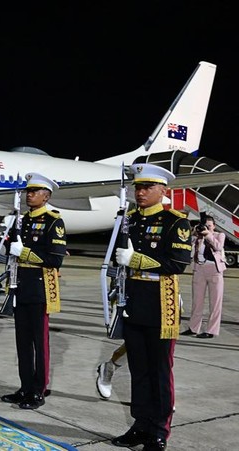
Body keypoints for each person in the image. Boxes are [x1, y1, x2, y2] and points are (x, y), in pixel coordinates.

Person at [110, 164, 191, 451]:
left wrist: (136, 259)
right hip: (133, 302)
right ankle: (140, 424)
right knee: (138, 370)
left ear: (163, 190)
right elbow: (115, 261)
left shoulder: (175, 222)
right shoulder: (129, 219)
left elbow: (177, 264)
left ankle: (159, 430)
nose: (140, 192)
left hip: (160, 303)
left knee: (159, 370)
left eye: (147, 187)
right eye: (138, 187)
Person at [0, 172, 66, 410]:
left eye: (34, 191)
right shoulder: (22, 220)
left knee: (40, 341)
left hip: (39, 286)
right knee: (22, 342)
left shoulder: (53, 221)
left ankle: (38, 389)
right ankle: (25, 386)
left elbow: (54, 258)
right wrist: (7, 236)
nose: (30, 195)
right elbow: (9, 250)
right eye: (28, 191)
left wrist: (24, 252)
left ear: (46, 196)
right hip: (20, 285)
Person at [182, 214, 225, 339]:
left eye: (210, 226)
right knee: (197, 301)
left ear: (214, 226)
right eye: (206, 226)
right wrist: (193, 233)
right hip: (199, 269)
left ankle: (211, 330)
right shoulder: (198, 237)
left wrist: (208, 234)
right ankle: (193, 328)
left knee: (215, 302)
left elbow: (218, 247)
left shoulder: (218, 235)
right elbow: (188, 247)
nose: (207, 228)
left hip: (215, 270)